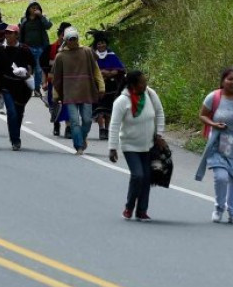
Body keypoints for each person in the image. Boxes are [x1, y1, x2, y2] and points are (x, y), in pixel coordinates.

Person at [195, 68, 233, 224]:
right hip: (218, 142)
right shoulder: (214, 97)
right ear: (223, 81)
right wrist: (214, 124)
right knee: (221, 177)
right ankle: (219, 208)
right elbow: (202, 115)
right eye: (230, 79)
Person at [108, 70, 166, 221]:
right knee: (138, 175)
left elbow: (159, 113)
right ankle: (129, 207)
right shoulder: (122, 101)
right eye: (142, 82)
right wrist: (112, 148)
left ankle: (142, 211)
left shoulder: (150, 94)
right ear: (133, 85)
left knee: (147, 177)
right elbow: (114, 125)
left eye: (145, 81)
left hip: (149, 144)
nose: (145, 84)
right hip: (130, 145)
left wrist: (159, 135)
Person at [51, 26, 103, 155]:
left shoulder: (87, 52)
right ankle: (79, 146)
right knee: (74, 121)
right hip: (69, 93)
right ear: (66, 40)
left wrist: (101, 86)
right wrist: (56, 94)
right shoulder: (61, 56)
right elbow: (56, 78)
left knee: (87, 120)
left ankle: (81, 137)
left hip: (86, 90)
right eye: (70, 39)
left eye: (75, 39)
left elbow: (96, 70)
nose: (73, 41)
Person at [0, 25, 37, 151]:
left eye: (11, 33)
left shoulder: (24, 49)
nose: (8, 35)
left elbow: (31, 65)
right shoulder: (0, 49)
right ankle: (15, 139)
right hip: (6, 85)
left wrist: (27, 74)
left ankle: (15, 135)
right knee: (11, 112)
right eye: (6, 33)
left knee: (19, 112)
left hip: (22, 86)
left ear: (17, 35)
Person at [91, 31, 126, 140]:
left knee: (108, 110)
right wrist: (100, 74)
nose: (101, 45)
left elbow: (120, 69)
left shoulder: (111, 55)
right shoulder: (93, 56)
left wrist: (110, 73)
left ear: (106, 44)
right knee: (100, 109)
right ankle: (101, 129)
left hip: (111, 87)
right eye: (99, 43)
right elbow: (90, 69)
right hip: (97, 87)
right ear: (96, 45)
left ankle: (107, 129)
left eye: (103, 43)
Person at [18, 1, 52, 95]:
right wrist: (20, 46)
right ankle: (26, 88)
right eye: (32, 7)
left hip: (39, 48)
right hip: (27, 48)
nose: (34, 9)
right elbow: (21, 33)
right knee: (26, 68)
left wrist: (41, 16)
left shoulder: (41, 19)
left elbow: (48, 26)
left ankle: (36, 89)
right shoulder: (24, 19)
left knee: (38, 69)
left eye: (36, 7)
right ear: (28, 9)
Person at [47, 22, 72, 137]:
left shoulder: (75, 49)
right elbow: (45, 66)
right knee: (55, 103)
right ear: (59, 35)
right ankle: (56, 124)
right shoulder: (51, 48)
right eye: (63, 34)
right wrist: (43, 81)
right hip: (54, 81)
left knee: (68, 104)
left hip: (69, 81)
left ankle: (68, 127)